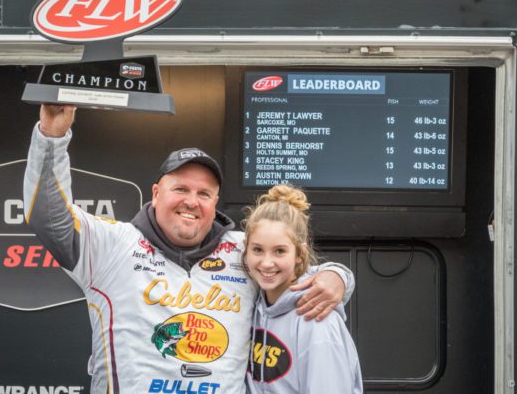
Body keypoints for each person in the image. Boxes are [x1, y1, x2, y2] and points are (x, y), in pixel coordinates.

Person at [24, 104, 355, 394]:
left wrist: (338, 276)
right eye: (180, 189)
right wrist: (52, 136)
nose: (191, 202)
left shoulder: (243, 250)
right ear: (156, 193)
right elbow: (47, 216)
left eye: (204, 194)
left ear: (215, 202)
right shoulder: (112, 245)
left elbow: (298, 275)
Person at [243, 184, 363, 394]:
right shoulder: (254, 302)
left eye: (279, 251)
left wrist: (340, 275)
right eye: (258, 250)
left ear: (299, 254)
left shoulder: (316, 318)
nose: (266, 263)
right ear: (245, 249)